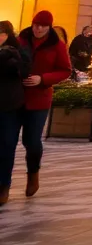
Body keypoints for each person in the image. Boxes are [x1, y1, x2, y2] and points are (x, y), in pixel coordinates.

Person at [16, 10, 71, 198]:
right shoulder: (20, 40)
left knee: (31, 141)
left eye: (43, 26)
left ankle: (33, 175)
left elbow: (65, 70)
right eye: (36, 25)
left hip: (39, 100)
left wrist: (43, 79)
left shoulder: (57, 45)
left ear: (49, 27)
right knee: (7, 139)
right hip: (14, 97)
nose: (38, 29)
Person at [1, 20, 31, 205]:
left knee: (6, 146)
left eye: (2, 33)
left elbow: (24, 70)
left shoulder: (15, 52)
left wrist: (9, 57)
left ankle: (4, 184)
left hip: (9, 106)